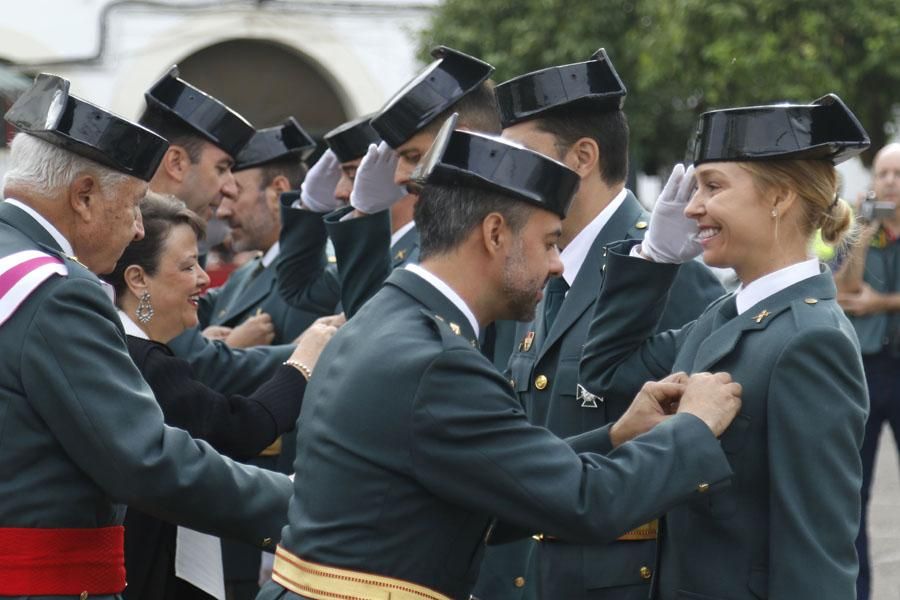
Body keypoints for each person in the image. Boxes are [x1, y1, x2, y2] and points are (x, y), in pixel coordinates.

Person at [256, 118, 742, 600]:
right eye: (550, 241)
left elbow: (502, 482)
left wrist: (615, 436)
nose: (556, 264)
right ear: (494, 234)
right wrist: (693, 427)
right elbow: (582, 502)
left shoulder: (386, 318)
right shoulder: (437, 363)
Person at [0, 74, 291, 598]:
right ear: (84, 196)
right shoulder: (58, 293)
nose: (138, 228)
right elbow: (146, 459)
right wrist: (303, 505)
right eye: (134, 203)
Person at [580, 94, 870, 599]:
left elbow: (816, 551)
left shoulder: (811, 340)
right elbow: (605, 372)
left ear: (780, 197)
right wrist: (653, 259)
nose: (692, 208)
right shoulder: (725, 315)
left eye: (712, 187)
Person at [475, 48, 724, 600]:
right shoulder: (535, 261)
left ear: (582, 156)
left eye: (521, 155)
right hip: (525, 568)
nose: (505, 175)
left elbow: (696, 461)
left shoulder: (666, 265)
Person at [100, 192, 340, 600]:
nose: (204, 279)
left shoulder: (121, 345)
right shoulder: (142, 360)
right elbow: (239, 427)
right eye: (188, 266)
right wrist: (304, 362)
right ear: (138, 279)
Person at [139, 65, 293, 395]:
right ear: (177, 163)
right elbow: (196, 367)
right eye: (222, 169)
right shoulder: (137, 238)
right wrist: (311, 351)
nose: (228, 188)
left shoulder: (150, 229)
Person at [834, 142, 900, 600]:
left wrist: (883, 304)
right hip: (868, 369)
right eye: (883, 174)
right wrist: (864, 229)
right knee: (853, 494)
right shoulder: (858, 230)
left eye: (898, 174)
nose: (890, 182)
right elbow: (845, 290)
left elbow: (867, 300)